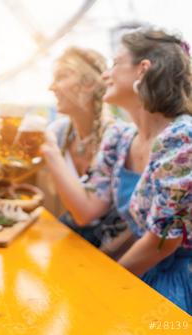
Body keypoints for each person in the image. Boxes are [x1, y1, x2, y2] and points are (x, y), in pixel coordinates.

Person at [42, 28, 192, 313]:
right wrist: (47, 148)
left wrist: (104, 284)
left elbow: (160, 243)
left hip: (170, 285)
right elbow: (88, 208)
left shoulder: (183, 138)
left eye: (114, 64)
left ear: (142, 70)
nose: (104, 75)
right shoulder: (120, 139)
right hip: (135, 270)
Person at [40, 47, 134, 256]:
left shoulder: (119, 135)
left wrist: (50, 151)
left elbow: (86, 215)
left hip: (112, 256)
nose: (51, 87)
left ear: (90, 83)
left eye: (62, 77)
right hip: (74, 246)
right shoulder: (59, 131)